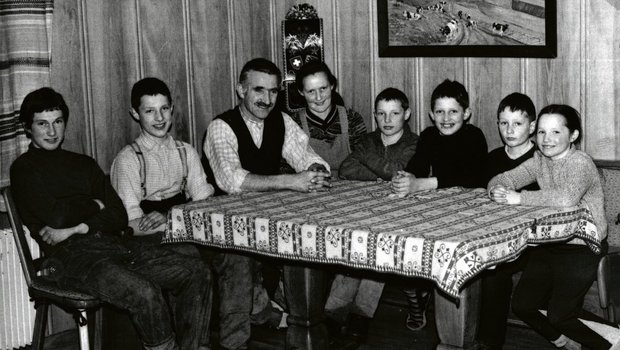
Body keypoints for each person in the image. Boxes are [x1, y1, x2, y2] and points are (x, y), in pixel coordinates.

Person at [10, 87, 212, 350]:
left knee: (197, 271)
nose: (51, 132)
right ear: (28, 128)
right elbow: (55, 216)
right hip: (69, 258)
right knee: (144, 291)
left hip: (112, 245)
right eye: (42, 124)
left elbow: (117, 216)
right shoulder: (24, 169)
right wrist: (95, 203)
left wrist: (78, 226)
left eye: (57, 122)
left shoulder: (83, 163)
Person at [111, 77, 256, 350]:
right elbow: (132, 226)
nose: (159, 118)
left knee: (236, 255)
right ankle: (194, 344)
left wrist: (173, 216)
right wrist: (173, 221)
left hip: (184, 227)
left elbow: (205, 201)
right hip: (146, 241)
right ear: (135, 114)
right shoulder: (128, 160)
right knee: (192, 262)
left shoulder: (184, 151)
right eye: (149, 111)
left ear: (172, 108)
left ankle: (235, 343)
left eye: (164, 109)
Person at [202, 58, 331, 349]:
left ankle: (303, 321)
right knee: (238, 259)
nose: (267, 99)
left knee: (312, 235)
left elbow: (306, 155)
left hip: (267, 221)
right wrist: (290, 181)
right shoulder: (221, 127)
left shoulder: (280, 120)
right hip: (224, 227)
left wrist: (316, 170)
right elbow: (230, 181)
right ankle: (234, 343)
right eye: (259, 90)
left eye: (273, 91)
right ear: (240, 90)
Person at [489, 104, 620, 350]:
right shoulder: (539, 160)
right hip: (551, 245)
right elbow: (506, 177)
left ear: (573, 136)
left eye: (555, 132)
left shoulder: (579, 162)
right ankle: (564, 341)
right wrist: (496, 187)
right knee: (523, 305)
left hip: (584, 246)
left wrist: (519, 197)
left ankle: (614, 341)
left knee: (560, 315)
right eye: (540, 132)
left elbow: (565, 198)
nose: (546, 139)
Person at [392, 79, 487, 331]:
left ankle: (450, 319)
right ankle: (420, 289)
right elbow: (418, 165)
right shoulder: (429, 135)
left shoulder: (474, 136)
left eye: (453, 111)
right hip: (436, 208)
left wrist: (423, 184)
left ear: (466, 113)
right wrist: (407, 177)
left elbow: (471, 177)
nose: (446, 118)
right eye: (440, 112)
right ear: (431, 114)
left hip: (468, 212)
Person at [326, 88, 419, 347]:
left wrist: (367, 159)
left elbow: (400, 172)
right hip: (363, 210)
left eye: (394, 113)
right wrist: (380, 176)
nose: (387, 120)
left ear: (407, 114)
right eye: (381, 114)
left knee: (376, 251)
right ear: (375, 115)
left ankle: (360, 317)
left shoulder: (414, 142)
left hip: (400, 216)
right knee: (352, 247)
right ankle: (333, 313)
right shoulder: (369, 140)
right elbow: (346, 169)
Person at [476, 92, 539, 350]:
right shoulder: (492, 158)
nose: (509, 130)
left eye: (517, 123)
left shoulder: (541, 160)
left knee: (496, 273)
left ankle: (490, 343)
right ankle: (474, 338)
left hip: (531, 239)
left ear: (532, 127)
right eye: (504, 123)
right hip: (493, 233)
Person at [290, 60, 368, 176]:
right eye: (311, 91)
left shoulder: (352, 119)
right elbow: (286, 168)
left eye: (323, 88)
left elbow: (364, 160)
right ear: (301, 92)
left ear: (331, 86)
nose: (318, 97)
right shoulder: (293, 124)